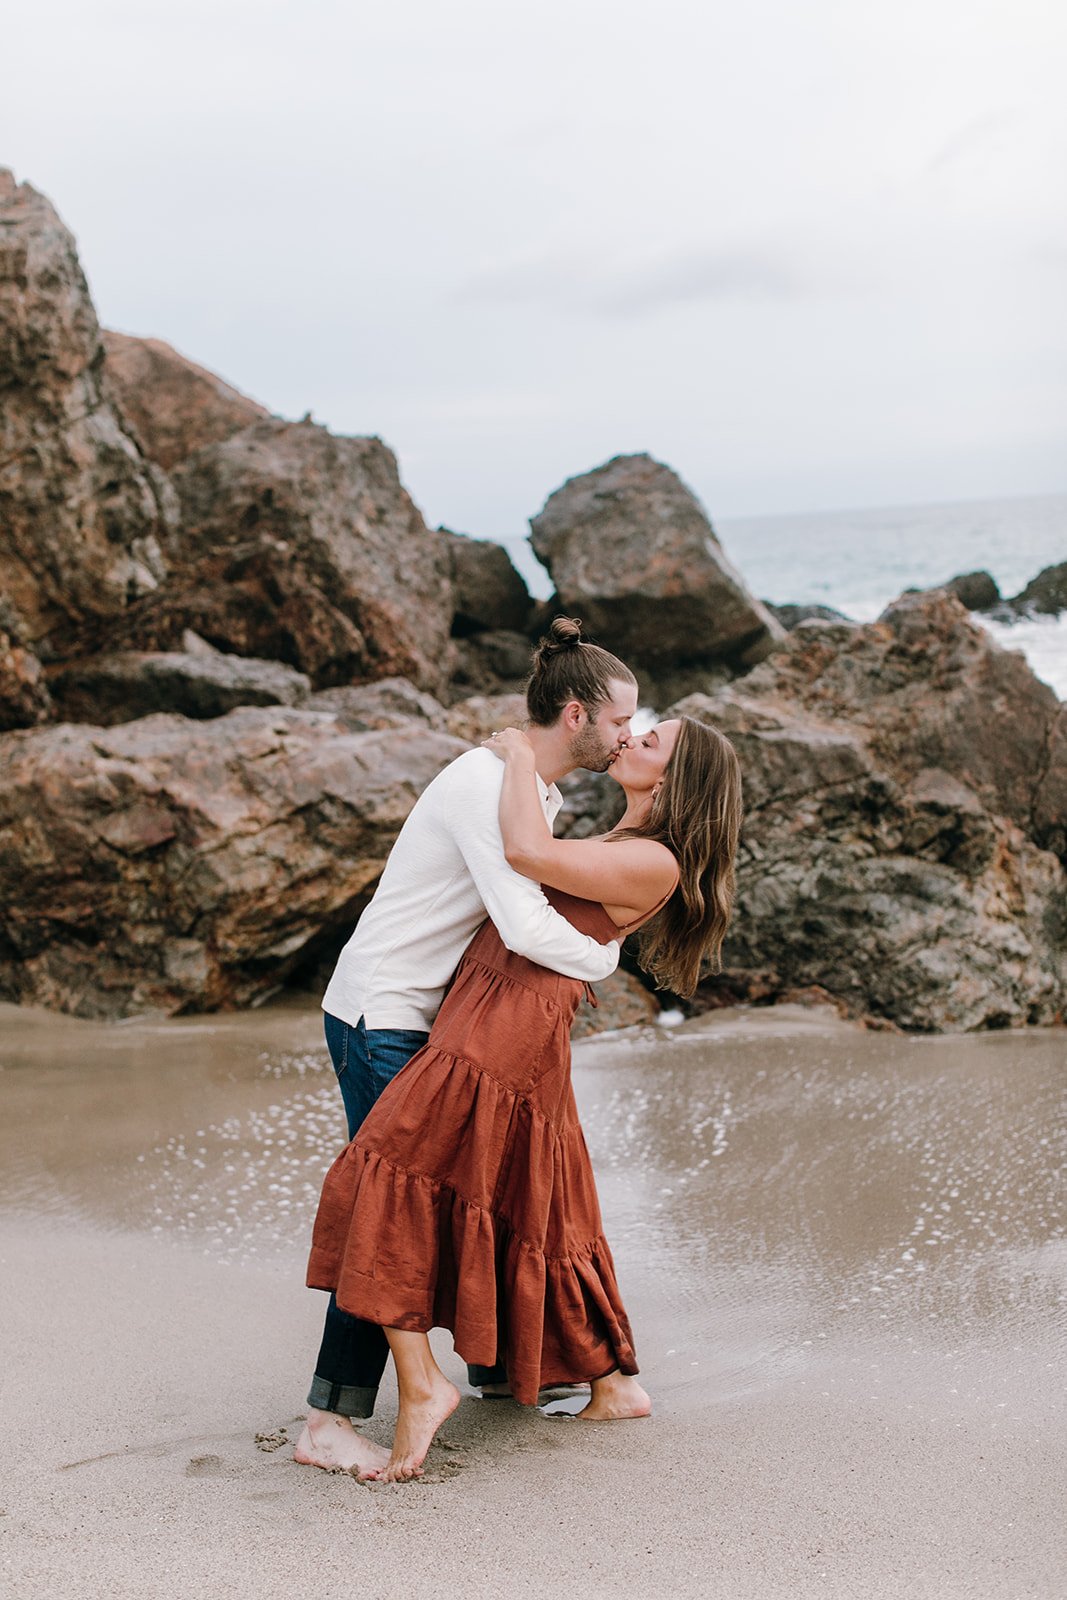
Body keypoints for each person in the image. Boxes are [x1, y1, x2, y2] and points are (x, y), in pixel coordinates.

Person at [307, 701, 743, 1481]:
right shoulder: (626, 841)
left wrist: (515, 756)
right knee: (538, 1202)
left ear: (677, 780)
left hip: (502, 1025)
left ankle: (419, 1387)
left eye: (649, 740)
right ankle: (609, 1384)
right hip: (496, 1009)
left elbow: (523, 854)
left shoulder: (656, 858)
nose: (630, 739)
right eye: (634, 726)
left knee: (382, 1177)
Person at [294, 618, 639, 1479]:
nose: (629, 736)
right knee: (391, 1201)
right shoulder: (487, 783)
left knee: (439, 1194)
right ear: (574, 716)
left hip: (425, 1019)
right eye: (620, 721)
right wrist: (604, 959)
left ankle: (491, 1367)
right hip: (380, 1013)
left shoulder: (533, 792)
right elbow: (522, 923)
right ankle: (329, 1418)